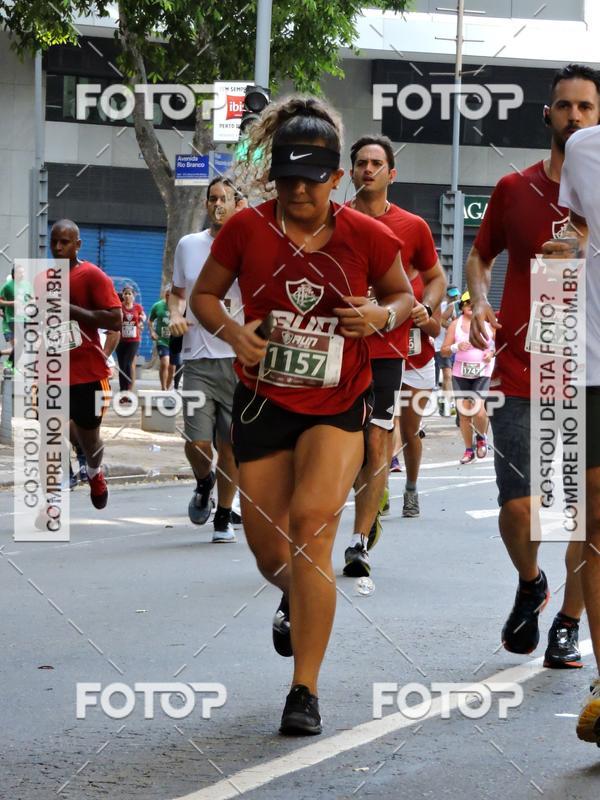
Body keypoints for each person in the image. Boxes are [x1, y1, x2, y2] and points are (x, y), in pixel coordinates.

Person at [190, 96, 413, 735]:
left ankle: (304, 691)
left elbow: (401, 295)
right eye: (285, 180)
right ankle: (295, 593)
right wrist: (234, 333)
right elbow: (205, 297)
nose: (297, 192)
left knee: (314, 526)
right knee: (271, 552)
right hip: (263, 403)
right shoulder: (245, 229)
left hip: (339, 402)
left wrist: (380, 316)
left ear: (335, 179)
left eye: (310, 181)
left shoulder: (368, 235)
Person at [467, 64, 600, 671]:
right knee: (519, 505)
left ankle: (568, 624)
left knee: (578, 510)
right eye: (564, 106)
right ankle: (530, 580)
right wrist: (478, 301)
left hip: (585, 367)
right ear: (547, 115)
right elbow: (479, 253)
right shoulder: (513, 188)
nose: (574, 116)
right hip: (521, 364)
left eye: (586, 108)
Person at [342, 135, 447, 577]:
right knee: (340, 445)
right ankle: (362, 495)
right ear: (350, 172)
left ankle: (359, 540)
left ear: (391, 173)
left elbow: (436, 276)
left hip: (387, 349)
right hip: (337, 349)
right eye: (361, 163)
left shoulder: (412, 226)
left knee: (376, 438)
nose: (368, 169)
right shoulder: (333, 220)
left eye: (376, 163)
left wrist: (426, 307)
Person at [542, 121, 600, 743]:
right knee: (592, 517)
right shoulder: (586, 150)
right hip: (592, 362)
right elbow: (577, 229)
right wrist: (564, 253)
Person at [169, 178, 245, 542]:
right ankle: (204, 480)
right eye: (213, 198)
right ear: (206, 204)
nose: (218, 204)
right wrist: (175, 314)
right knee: (198, 441)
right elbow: (177, 294)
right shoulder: (189, 246)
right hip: (198, 355)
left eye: (225, 199)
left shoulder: (251, 247)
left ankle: (224, 516)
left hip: (237, 358)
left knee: (230, 444)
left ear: (237, 205)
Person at [47, 219, 122, 510]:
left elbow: (115, 320)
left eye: (64, 242)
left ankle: (94, 472)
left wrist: (72, 311)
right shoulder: (45, 279)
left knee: (89, 441)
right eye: (54, 241)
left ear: (78, 245)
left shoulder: (92, 275)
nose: (57, 247)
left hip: (88, 373)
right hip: (54, 372)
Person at [400, 274, 442, 516]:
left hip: (418, 364)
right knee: (379, 430)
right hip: (385, 359)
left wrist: (421, 314)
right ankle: (378, 489)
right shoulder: (380, 269)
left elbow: (435, 329)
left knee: (409, 431)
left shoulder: (429, 280)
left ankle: (411, 489)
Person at [440, 291, 494, 464]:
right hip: (460, 373)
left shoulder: (487, 325)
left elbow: (498, 347)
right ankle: (468, 449)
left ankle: (481, 437)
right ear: (462, 306)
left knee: (478, 411)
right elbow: (444, 350)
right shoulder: (455, 325)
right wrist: (456, 346)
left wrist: (491, 354)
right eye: (468, 302)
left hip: (482, 373)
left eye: (475, 303)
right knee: (464, 414)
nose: (471, 305)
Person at [434, 285, 460, 415]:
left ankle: (445, 401)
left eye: (456, 295)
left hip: (457, 347)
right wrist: (455, 327)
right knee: (447, 375)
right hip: (440, 346)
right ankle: (450, 404)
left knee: (452, 377)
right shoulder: (441, 307)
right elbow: (440, 321)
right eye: (452, 295)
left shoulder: (460, 306)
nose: (454, 297)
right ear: (446, 295)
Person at [115, 286, 145, 399]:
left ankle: (128, 391)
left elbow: (143, 316)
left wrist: (142, 322)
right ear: (122, 295)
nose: (127, 296)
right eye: (125, 294)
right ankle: (123, 393)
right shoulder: (119, 307)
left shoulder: (138, 307)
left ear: (134, 295)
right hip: (120, 340)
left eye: (129, 294)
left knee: (128, 363)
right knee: (122, 366)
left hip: (133, 340)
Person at [149, 285, 175, 390]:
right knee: (165, 363)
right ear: (166, 294)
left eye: (172, 295)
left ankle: (167, 390)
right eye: (168, 294)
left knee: (172, 367)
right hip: (162, 340)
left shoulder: (180, 306)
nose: (169, 297)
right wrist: (152, 332)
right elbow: (150, 321)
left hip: (175, 341)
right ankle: (163, 388)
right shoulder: (158, 306)